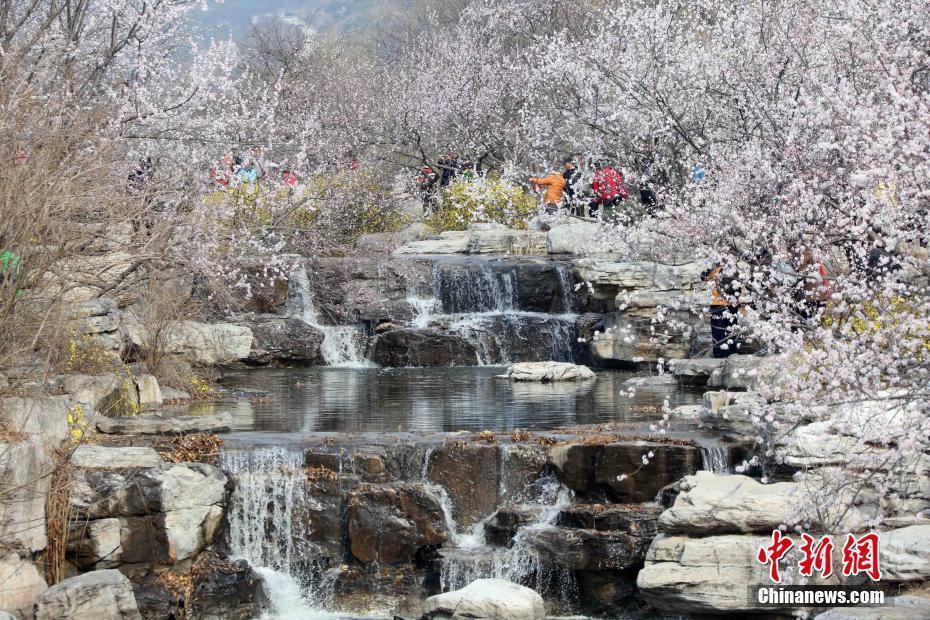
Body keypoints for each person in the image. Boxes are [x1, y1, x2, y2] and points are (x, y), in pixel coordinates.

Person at [702, 263, 741, 358]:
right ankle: (732, 354)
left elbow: (703, 277)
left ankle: (719, 355)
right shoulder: (735, 269)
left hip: (717, 305)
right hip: (732, 304)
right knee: (731, 329)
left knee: (718, 331)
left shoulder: (715, 271)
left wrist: (709, 270)